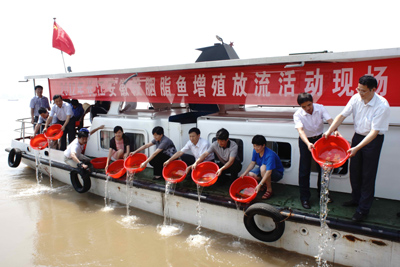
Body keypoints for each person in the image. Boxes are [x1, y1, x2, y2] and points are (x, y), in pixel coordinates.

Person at [323, 75, 390, 222]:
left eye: (363, 91)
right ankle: (356, 199)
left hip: (373, 140)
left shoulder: (382, 105)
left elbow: (374, 132)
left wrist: (357, 148)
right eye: (358, 89)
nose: (360, 93)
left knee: (367, 175)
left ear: (373, 90)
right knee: (354, 171)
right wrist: (329, 130)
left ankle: (363, 209)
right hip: (358, 136)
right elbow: (342, 115)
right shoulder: (355, 98)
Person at [293, 92, 337, 209]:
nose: (307, 108)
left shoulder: (320, 108)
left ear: (313, 102)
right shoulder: (297, 115)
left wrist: (334, 130)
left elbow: (330, 120)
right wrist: (308, 143)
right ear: (300, 106)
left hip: (320, 140)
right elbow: (301, 131)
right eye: (304, 106)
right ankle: (304, 198)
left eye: (309, 105)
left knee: (323, 168)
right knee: (304, 169)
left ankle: (323, 195)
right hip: (305, 141)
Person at [240, 135, 284, 199]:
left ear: (263, 145)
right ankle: (265, 183)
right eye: (254, 146)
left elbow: (269, 172)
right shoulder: (256, 151)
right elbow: (253, 163)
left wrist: (259, 184)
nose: (255, 148)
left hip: (276, 174)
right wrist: (244, 173)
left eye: (257, 146)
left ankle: (269, 190)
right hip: (264, 171)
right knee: (250, 174)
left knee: (263, 168)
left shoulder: (270, 155)